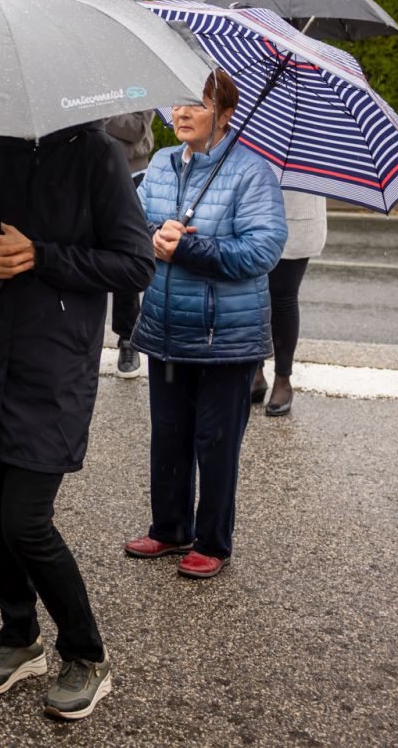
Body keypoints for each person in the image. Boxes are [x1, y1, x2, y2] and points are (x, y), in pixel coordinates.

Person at [0, 121, 153, 721]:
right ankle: (18, 635)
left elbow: (135, 264)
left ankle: (86, 653)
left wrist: (43, 256)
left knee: (25, 521)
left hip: (50, 367)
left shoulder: (99, 156)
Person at [126, 70, 286, 580]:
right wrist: (154, 235)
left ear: (225, 112)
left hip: (226, 338)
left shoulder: (251, 172)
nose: (182, 113)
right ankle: (169, 528)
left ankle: (213, 541)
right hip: (165, 327)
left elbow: (263, 249)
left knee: (215, 442)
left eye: (196, 103)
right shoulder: (160, 163)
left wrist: (189, 247)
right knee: (168, 435)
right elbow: (133, 225)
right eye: (176, 104)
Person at [254, 191, 325, 417]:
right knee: (252, 293)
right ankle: (254, 371)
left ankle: (283, 379)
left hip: (297, 212)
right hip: (253, 210)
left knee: (283, 295)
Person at [104, 111, 155, 377]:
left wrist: (95, 112)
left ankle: (128, 338)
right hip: (92, 167)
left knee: (126, 253)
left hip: (132, 173)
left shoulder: (140, 77)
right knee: (89, 255)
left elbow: (136, 129)